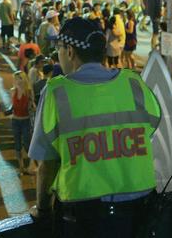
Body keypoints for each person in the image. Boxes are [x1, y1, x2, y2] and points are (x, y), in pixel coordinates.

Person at [29, 17, 162, 237]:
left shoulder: (56, 91)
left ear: (70, 51)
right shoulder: (133, 83)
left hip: (84, 216)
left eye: (59, 48)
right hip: (140, 211)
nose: (58, 55)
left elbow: (47, 164)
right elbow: (151, 127)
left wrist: (43, 209)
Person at [11, 71, 36, 174]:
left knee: (27, 144)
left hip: (25, 120)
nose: (18, 81)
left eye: (20, 78)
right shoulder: (13, 91)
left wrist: (32, 105)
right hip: (15, 120)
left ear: (24, 79)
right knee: (17, 144)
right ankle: (21, 167)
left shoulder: (29, 91)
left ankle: (32, 165)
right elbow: (13, 106)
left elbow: (32, 106)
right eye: (16, 79)